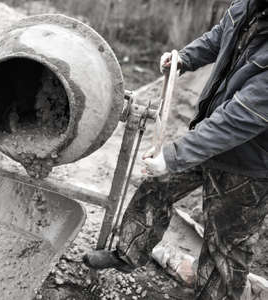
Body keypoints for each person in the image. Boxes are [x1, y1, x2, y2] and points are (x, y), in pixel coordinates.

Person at [83, 0, 268, 299]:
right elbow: (221, 36)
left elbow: (238, 119)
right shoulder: (246, 8)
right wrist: (185, 58)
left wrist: (173, 156)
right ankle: (128, 253)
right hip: (207, 139)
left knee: (226, 246)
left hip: (248, 165)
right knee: (158, 185)